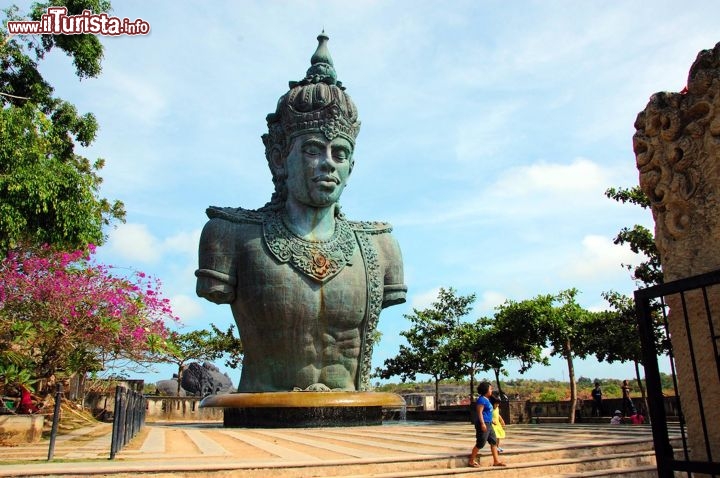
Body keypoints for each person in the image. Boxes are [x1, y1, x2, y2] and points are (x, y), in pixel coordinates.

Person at [196, 32, 406, 393]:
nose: (328, 164)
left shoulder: (380, 246)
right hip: (260, 420)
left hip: (351, 418)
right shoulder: (230, 235)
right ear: (279, 158)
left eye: (339, 154)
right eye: (312, 149)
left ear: (350, 168)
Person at [469, 382, 506, 468]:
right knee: (480, 443)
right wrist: (482, 424)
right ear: (486, 390)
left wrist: (491, 420)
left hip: (489, 423)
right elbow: (480, 413)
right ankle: (471, 460)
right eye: (490, 389)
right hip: (483, 424)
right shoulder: (481, 400)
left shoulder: (487, 400)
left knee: (493, 442)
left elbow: (488, 412)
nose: (491, 390)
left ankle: (496, 461)